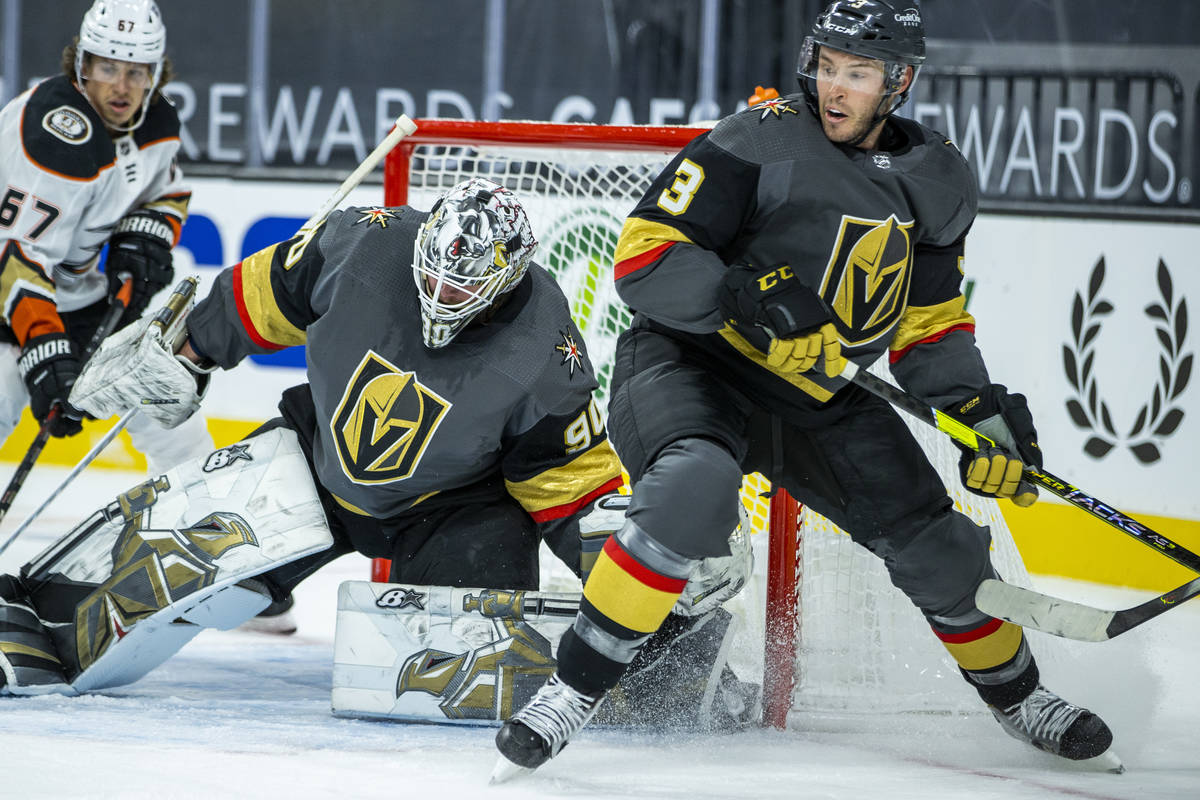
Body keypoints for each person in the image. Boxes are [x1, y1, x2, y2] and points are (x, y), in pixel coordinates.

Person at [494, 0, 1120, 780]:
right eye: (826, 66)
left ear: (899, 83)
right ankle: (571, 690)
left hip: (819, 392)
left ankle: (1021, 699)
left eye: (856, 73)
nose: (833, 87)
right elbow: (644, 257)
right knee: (693, 489)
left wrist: (975, 410)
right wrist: (744, 295)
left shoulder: (939, 179)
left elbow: (928, 322)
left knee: (943, 545)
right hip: (695, 364)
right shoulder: (754, 140)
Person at [1, 178, 756, 713]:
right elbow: (253, 298)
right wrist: (186, 353)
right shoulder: (362, 241)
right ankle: (34, 618)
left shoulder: (546, 346)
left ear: (505, 280)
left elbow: (566, 486)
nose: (440, 295)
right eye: (432, 274)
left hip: (456, 510)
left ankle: (674, 668)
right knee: (182, 562)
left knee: (457, 665)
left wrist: (643, 562)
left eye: (463, 290)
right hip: (318, 462)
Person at [0, 0, 212, 474]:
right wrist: (44, 351)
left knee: (168, 404)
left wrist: (149, 234)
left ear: (155, 74)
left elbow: (167, 193)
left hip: (82, 299)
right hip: (10, 302)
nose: (121, 86)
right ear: (82, 65)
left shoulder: (155, 123)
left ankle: (201, 518)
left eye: (137, 72)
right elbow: (15, 258)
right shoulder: (50, 132)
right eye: (108, 67)